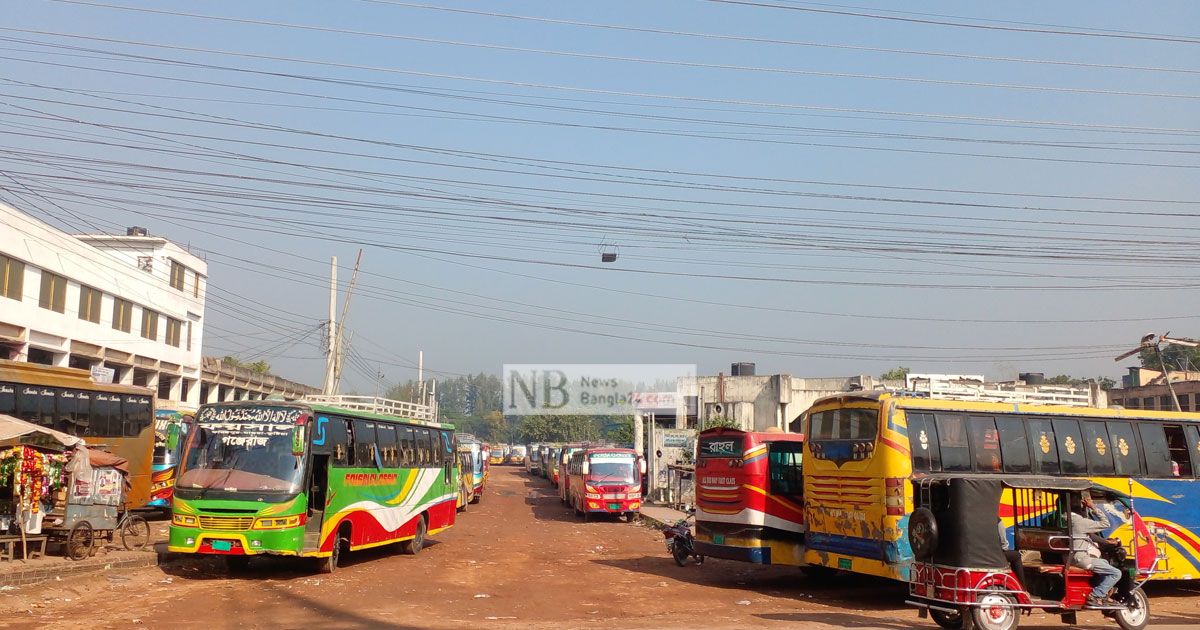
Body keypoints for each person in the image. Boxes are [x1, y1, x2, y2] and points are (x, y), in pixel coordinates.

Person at [1068, 494, 1122, 607]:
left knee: (1104, 563)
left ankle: (1104, 594)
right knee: (1116, 573)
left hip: (1068, 556)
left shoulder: (1063, 518)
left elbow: (1091, 536)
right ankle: (1096, 595)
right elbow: (1105, 523)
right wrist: (1093, 507)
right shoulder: (1079, 522)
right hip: (1081, 559)